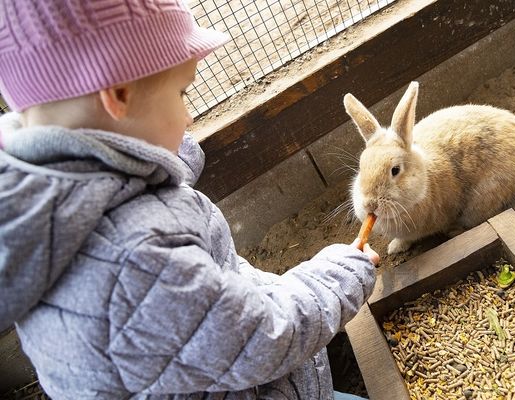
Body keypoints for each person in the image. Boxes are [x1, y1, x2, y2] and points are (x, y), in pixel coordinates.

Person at [0, 1, 379, 399]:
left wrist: (160, 152)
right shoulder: (135, 261)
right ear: (118, 95)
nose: (190, 117)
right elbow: (265, 338)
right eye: (181, 93)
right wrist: (338, 275)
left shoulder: (45, 183)